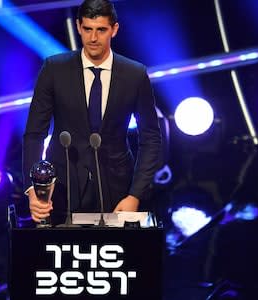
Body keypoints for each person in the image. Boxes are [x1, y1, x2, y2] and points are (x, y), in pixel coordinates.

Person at [23, 0, 161, 224]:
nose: (93, 38)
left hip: (117, 188)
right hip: (62, 187)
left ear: (114, 30)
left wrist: (135, 194)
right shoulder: (54, 69)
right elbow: (34, 134)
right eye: (87, 29)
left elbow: (151, 137)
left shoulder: (135, 74)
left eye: (101, 30)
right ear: (78, 27)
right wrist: (34, 190)